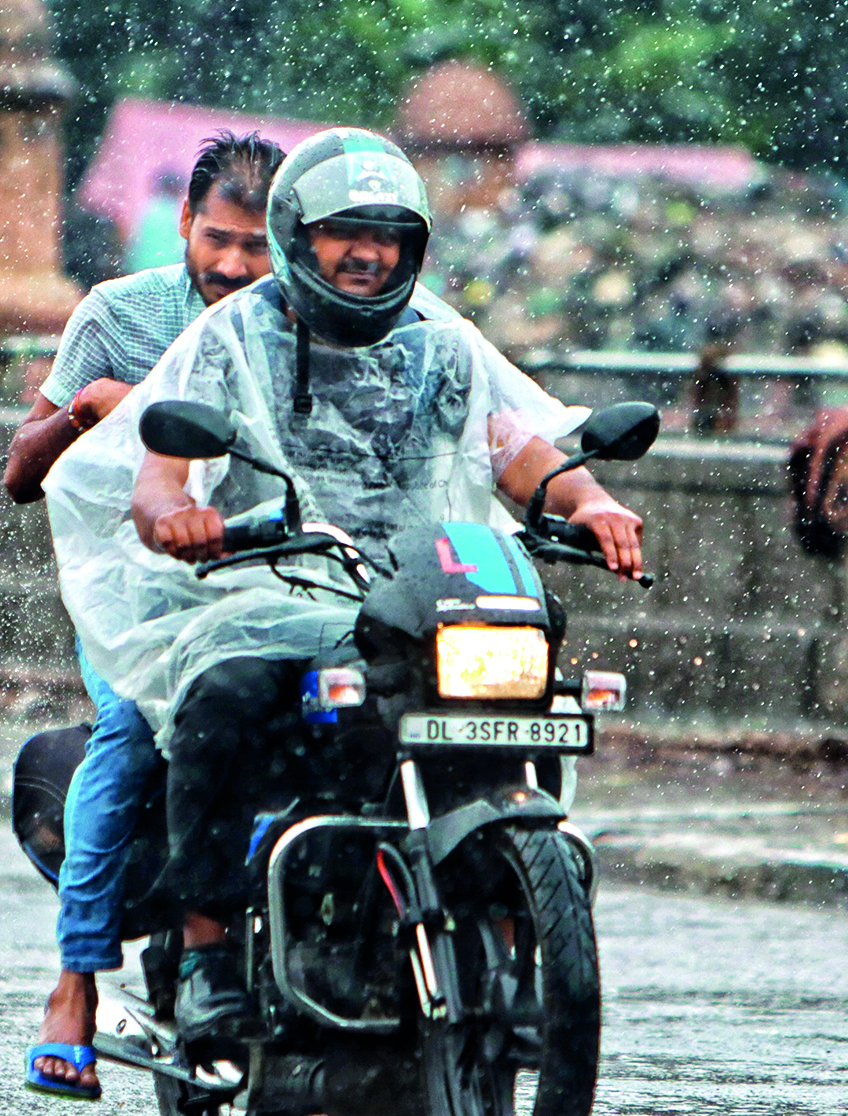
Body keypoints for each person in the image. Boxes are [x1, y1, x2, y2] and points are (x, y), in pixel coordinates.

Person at [46, 128, 643, 1044]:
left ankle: (514, 928)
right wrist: (176, 515)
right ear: (300, 235)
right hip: (267, 587)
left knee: (523, 680)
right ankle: (207, 951)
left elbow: (514, 446)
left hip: (413, 590)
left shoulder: (442, 342)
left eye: (389, 236)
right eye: (344, 232)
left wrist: (590, 501)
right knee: (223, 695)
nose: (368, 253)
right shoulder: (230, 335)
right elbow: (160, 474)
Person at [8, 131, 283, 1101]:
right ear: (185, 224)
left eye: (258, 246)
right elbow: (19, 474)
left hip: (272, 581)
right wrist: (85, 411)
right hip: (136, 599)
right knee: (130, 726)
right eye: (219, 239)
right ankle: (76, 979)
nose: (235, 265)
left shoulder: (307, 330)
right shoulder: (120, 314)